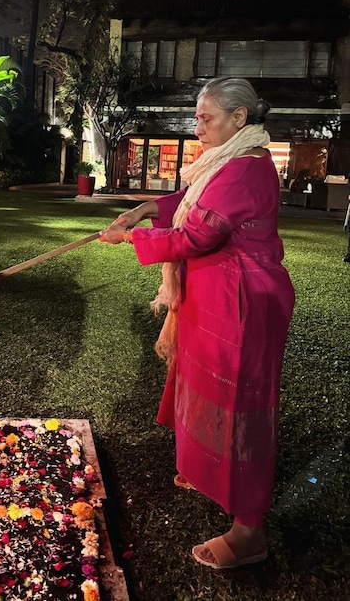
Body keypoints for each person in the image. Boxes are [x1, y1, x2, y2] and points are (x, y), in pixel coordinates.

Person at [99, 77, 295, 570]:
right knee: (204, 384)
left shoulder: (247, 168)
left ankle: (250, 531)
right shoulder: (225, 162)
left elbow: (197, 234)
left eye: (207, 118)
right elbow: (189, 201)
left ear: (240, 119)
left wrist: (131, 241)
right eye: (198, 116)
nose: (198, 126)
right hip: (215, 295)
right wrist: (145, 209)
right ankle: (208, 470)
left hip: (242, 302)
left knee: (239, 405)